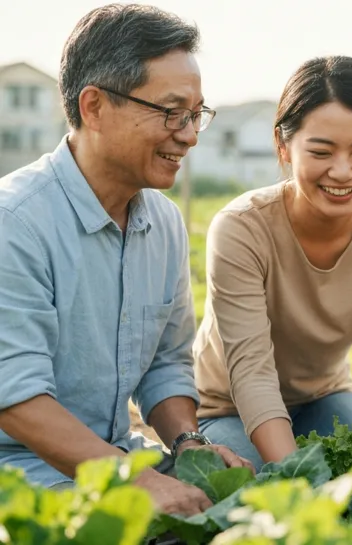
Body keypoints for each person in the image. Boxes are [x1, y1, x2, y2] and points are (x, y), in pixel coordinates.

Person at [0, 4, 250, 515]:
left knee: (248, 506)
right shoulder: (15, 224)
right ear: (93, 106)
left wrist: (186, 446)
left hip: (112, 457)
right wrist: (129, 484)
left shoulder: (164, 221)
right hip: (18, 472)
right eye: (171, 111)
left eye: (196, 113)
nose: (189, 134)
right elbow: (16, 399)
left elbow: (165, 364)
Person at [193, 56, 352, 470]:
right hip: (224, 406)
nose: (342, 172)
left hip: (323, 397)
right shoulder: (241, 228)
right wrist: (293, 478)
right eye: (321, 151)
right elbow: (251, 370)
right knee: (257, 489)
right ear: (284, 146)